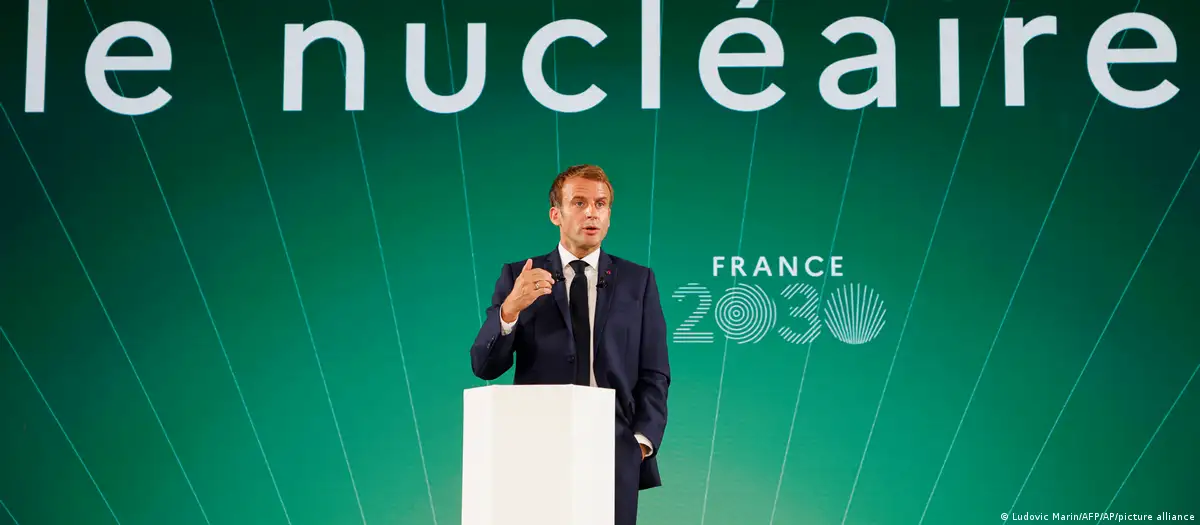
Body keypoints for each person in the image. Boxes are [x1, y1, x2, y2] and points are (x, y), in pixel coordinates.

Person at [469, 164, 671, 525]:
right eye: (579, 202)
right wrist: (509, 309)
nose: (591, 212)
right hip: (534, 446)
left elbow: (655, 371)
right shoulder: (519, 276)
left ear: (609, 215)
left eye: (601, 204)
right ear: (556, 214)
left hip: (613, 448)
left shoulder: (638, 281)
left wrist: (639, 443)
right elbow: (485, 366)